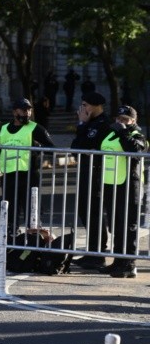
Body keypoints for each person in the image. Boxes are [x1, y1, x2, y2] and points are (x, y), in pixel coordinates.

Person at [98, 105, 147, 278]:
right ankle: (118, 261)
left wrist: (123, 131)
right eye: (118, 119)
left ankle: (129, 264)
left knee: (128, 225)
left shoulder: (137, 136)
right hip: (111, 184)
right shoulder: (112, 134)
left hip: (129, 184)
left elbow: (134, 150)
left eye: (125, 119)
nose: (120, 122)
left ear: (133, 121)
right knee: (116, 224)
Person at [0, 98, 54, 234]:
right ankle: (10, 236)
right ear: (14, 112)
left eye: (29, 110)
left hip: (29, 175)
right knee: (10, 209)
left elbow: (51, 148)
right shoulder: (3, 128)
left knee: (31, 209)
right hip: (9, 175)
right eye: (23, 110)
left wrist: (38, 147)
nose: (27, 113)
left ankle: (33, 239)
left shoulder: (35, 128)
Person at [70, 91, 111, 269]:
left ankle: (97, 254)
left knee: (94, 213)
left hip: (97, 174)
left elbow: (85, 144)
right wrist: (82, 125)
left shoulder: (103, 123)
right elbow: (75, 148)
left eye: (85, 105)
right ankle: (92, 251)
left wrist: (82, 125)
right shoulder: (89, 123)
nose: (83, 109)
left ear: (96, 106)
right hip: (86, 171)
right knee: (85, 211)